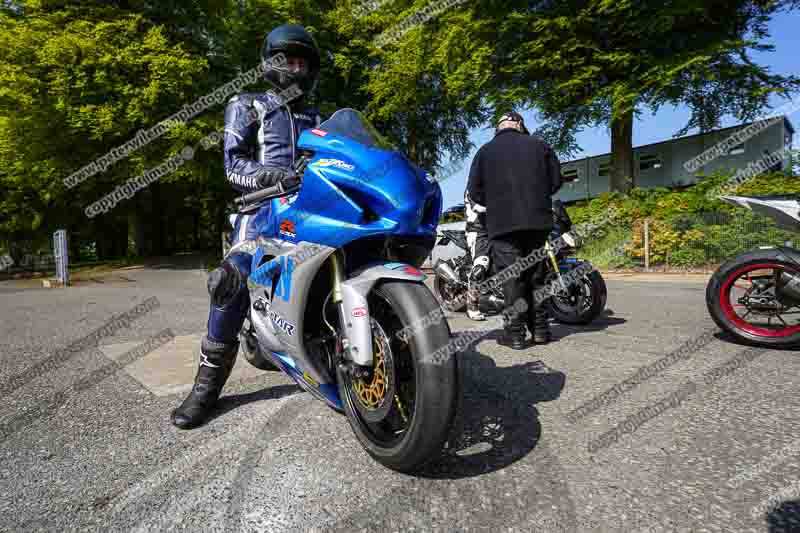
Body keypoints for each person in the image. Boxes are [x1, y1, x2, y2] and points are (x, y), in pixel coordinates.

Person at [171, 24, 323, 429]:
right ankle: (205, 389)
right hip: (261, 211)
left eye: (303, 62)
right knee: (229, 281)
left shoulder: (321, 117)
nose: (297, 68)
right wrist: (273, 178)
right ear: (271, 63)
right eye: (289, 60)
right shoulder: (247, 104)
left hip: (313, 209)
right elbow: (232, 164)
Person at [466, 111, 563, 350]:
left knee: (512, 279)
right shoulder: (540, 146)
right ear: (519, 124)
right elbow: (556, 182)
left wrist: (497, 202)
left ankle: (516, 334)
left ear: (498, 127)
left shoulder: (484, 152)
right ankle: (540, 330)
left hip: (502, 224)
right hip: (537, 222)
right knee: (537, 276)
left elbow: (474, 191)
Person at [464, 189, 490, 321]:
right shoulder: (474, 186)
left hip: (495, 230)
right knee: (480, 267)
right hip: (478, 232)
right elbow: (478, 207)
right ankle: (472, 306)